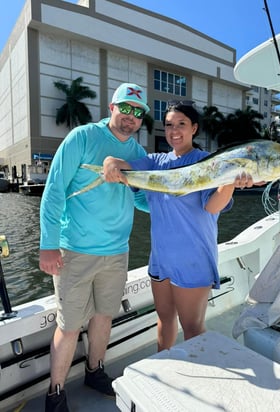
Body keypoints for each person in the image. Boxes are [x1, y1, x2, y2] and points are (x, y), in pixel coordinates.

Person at [103, 100, 262, 352]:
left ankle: (197, 379)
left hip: (193, 259)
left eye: (181, 124)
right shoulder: (154, 161)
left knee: (192, 327)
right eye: (168, 125)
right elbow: (126, 167)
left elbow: (212, 207)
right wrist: (112, 161)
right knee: (164, 320)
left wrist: (230, 182)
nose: (174, 131)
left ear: (194, 128)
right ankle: (165, 365)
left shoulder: (210, 163)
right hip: (160, 260)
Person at [39, 82, 150, 412]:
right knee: (70, 325)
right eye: (126, 108)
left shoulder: (139, 155)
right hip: (75, 251)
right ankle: (55, 393)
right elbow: (54, 191)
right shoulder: (83, 137)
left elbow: (143, 200)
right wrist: (48, 245)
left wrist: (171, 200)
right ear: (112, 107)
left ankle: (94, 371)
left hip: (117, 253)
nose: (131, 117)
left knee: (104, 317)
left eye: (138, 113)